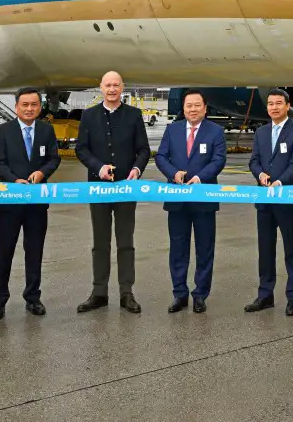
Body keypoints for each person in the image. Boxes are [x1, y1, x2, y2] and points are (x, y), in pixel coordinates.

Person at [76, 71, 150, 314]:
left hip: (126, 188)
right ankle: (99, 292)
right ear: (100, 87)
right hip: (98, 188)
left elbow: (143, 149)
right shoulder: (88, 116)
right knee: (100, 241)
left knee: (126, 241)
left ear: (122, 87)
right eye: (107, 85)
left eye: (116, 85)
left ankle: (126, 292)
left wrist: (137, 169)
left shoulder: (134, 115)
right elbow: (82, 150)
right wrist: (98, 168)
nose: (111, 89)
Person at [0, 88, 60, 321]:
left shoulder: (46, 130)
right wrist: (13, 181)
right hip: (10, 202)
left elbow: (54, 158)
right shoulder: (2, 131)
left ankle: (33, 297)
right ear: (17, 107)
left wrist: (42, 172)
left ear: (40, 107)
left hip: (37, 203)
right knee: (4, 253)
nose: (30, 109)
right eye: (25, 105)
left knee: (35, 251)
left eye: (34, 104)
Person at [153, 89, 226, 313]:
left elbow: (218, 160)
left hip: (203, 198)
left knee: (205, 248)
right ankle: (179, 293)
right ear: (182, 108)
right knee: (178, 248)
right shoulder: (172, 130)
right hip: (177, 199)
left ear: (205, 108)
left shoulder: (215, 131)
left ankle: (200, 294)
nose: (192, 109)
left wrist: (199, 177)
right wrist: (173, 174)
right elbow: (161, 156)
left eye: (197, 105)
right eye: (188, 106)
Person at [247, 90, 293, 316]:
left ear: (287, 106)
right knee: (265, 249)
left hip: (287, 199)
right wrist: (260, 175)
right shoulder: (261, 132)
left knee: (291, 248)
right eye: (270, 104)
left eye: (278, 103)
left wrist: (280, 181)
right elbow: (253, 160)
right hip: (264, 199)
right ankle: (265, 295)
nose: (274, 107)